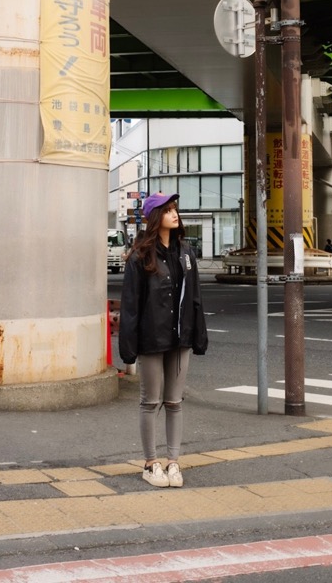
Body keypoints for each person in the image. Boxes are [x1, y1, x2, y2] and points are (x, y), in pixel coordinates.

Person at [119, 192, 208, 489]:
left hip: (180, 338)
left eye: (175, 209)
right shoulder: (140, 256)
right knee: (150, 401)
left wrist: (199, 335)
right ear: (155, 217)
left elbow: (194, 297)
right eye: (167, 209)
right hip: (151, 338)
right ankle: (150, 462)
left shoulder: (185, 252)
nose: (174, 213)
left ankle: (173, 461)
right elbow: (131, 305)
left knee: (174, 402)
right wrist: (128, 348)